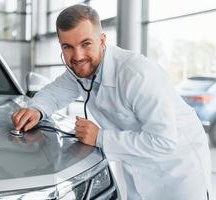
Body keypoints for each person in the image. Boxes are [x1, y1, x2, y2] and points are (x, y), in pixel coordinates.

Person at [11, 4, 211, 200]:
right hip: (138, 172)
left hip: (179, 173)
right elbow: (54, 93)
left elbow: (164, 141)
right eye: (68, 47)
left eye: (85, 44)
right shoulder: (80, 72)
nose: (77, 56)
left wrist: (100, 138)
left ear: (102, 40)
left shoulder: (136, 75)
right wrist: (36, 109)